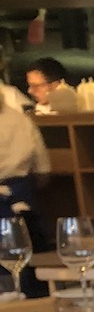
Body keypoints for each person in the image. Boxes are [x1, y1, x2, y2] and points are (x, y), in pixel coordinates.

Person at [0, 98, 49, 263]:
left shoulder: (20, 119)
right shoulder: (21, 120)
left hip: (18, 191)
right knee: (26, 255)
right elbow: (43, 169)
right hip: (22, 192)